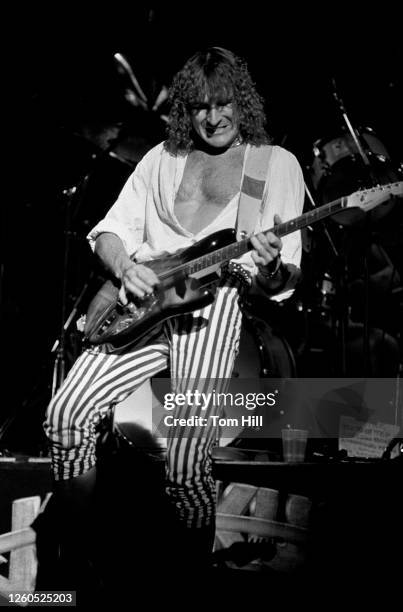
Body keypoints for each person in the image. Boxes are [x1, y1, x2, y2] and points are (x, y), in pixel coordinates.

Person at [34, 46, 305, 586]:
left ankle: (188, 581)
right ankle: (75, 569)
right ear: (188, 109)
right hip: (143, 304)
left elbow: (281, 279)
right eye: (202, 106)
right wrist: (125, 267)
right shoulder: (161, 158)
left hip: (215, 304)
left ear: (241, 102)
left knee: (185, 462)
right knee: (65, 415)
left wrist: (271, 265)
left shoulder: (273, 164)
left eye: (224, 103)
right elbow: (110, 231)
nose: (214, 117)